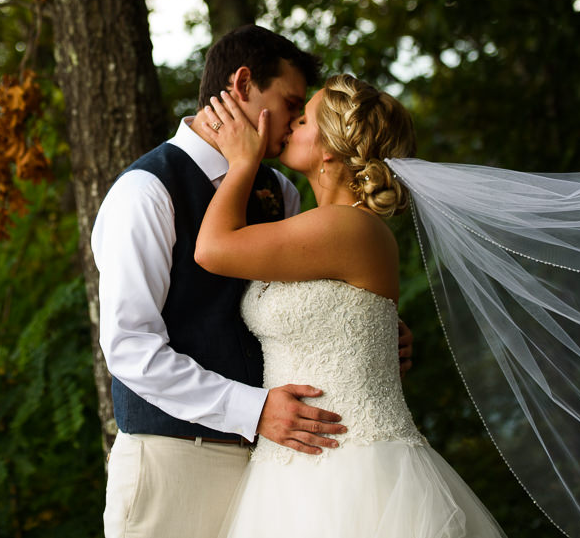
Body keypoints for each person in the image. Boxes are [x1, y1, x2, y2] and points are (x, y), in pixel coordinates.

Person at [93, 26, 415, 538]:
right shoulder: (146, 191)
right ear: (243, 85)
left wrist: (370, 328)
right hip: (176, 460)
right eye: (291, 104)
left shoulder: (277, 191)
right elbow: (129, 347)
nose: (292, 123)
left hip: (281, 468)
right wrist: (253, 410)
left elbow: (309, 290)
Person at [195, 74, 506, 538]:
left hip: (354, 466)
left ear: (329, 150)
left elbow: (212, 249)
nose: (289, 124)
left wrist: (243, 161)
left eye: (303, 119)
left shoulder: (347, 228)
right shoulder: (317, 223)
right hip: (293, 470)